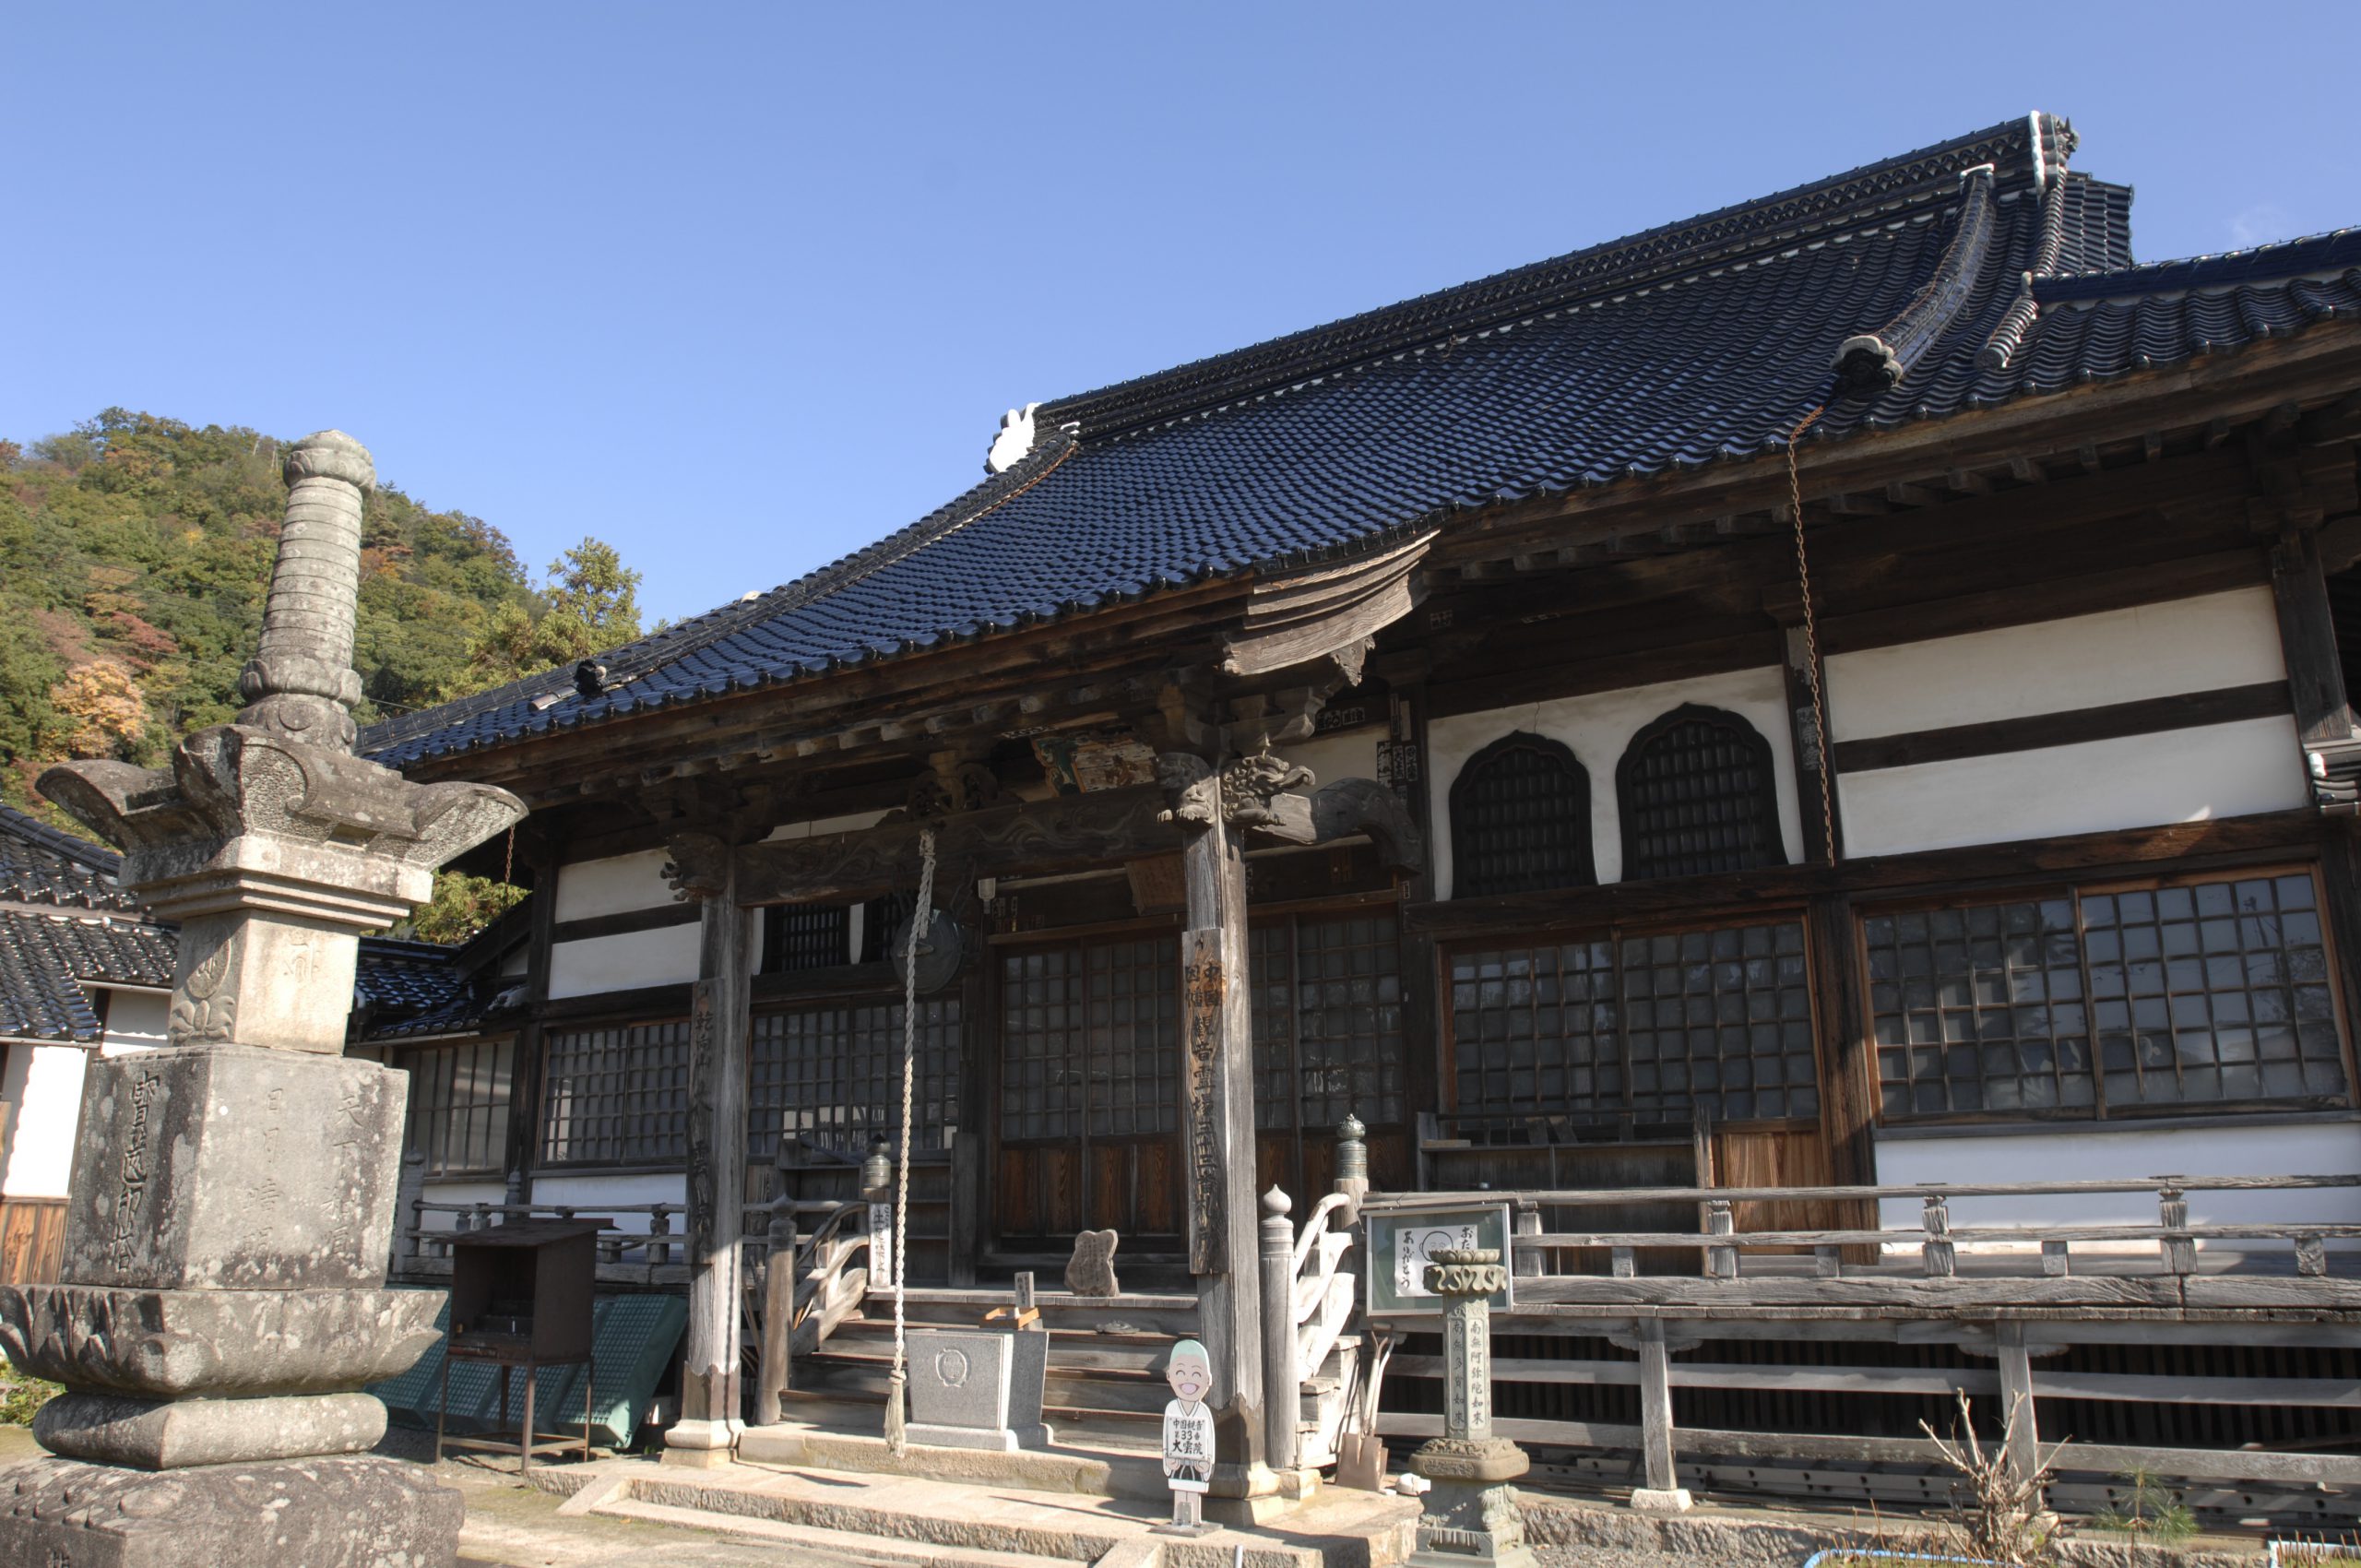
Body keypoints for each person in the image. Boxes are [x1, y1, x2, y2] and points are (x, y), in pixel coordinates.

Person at [1159, 1339, 1216, 1529]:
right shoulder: (1171, 1409)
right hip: (1177, 1462)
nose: (1188, 1379)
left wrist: (1207, 1462)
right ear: (1169, 1375)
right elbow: (1167, 1438)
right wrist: (1167, 1461)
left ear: (1207, 1379)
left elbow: (1209, 1442)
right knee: (1178, 1488)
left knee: (1192, 1489)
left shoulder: (1203, 1412)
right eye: (1180, 1372)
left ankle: (1194, 1519)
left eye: (1196, 1374)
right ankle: (1178, 1519)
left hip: (1197, 1463)